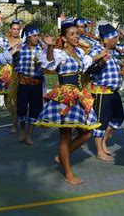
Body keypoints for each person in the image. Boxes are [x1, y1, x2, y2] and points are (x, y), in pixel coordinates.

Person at [35, 19, 102, 185]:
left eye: (77, 33)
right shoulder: (59, 53)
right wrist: (50, 46)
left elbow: (88, 61)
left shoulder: (79, 53)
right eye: (71, 34)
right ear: (64, 38)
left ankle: (61, 156)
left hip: (78, 96)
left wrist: (100, 55)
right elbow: (49, 63)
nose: (76, 36)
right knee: (65, 136)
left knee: (86, 134)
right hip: (65, 96)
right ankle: (68, 173)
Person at [87, 24, 124, 161]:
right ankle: (99, 151)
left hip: (113, 91)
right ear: (106, 39)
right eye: (114, 37)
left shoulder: (114, 51)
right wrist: (101, 62)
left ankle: (103, 141)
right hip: (101, 92)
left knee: (118, 117)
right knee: (101, 121)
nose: (117, 39)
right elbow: (89, 70)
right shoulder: (96, 51)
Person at [13, 25, 44, 145]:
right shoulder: (20, 48)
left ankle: (29, 134)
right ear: (28, 37)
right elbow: (11, 60)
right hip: (23, 84)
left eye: (38, 35)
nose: (37, 38)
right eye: (35, 36)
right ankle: (22, 130)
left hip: (37, 84)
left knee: (35, 109)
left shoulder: (42, 49)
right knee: (21, 109)